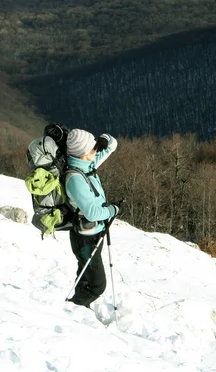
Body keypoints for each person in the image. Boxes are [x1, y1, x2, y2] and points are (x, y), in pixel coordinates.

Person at [64, 129, 119, 308]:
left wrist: (103, 140)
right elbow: (92, 213)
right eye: (93, 148)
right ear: (83, 153)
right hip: (85, 238)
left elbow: (112, 146)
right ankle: (75, 310)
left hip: (94, 232)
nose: (96, 150)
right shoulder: (74, 178)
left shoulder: (87, 165)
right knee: (97, 285)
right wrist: (113, 210)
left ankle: (78, 309)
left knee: (85, 273)